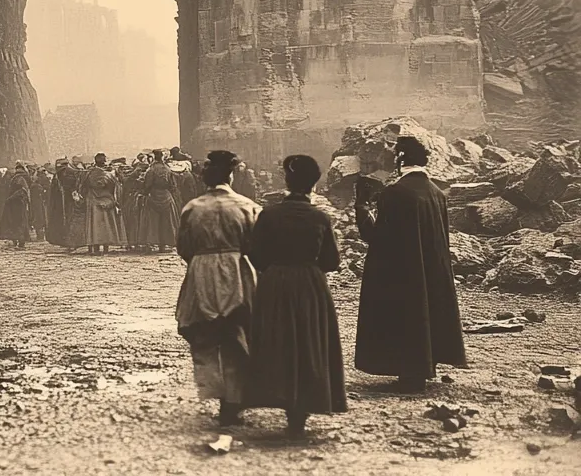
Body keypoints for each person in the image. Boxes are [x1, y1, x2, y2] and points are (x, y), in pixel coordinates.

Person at [354, 133, 467, 392]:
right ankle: (425, 365)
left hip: (401, 272)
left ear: (401, 160)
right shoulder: (437, 193)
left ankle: (410, 372)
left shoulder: (395, 193)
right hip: (430, 270)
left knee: (406, 315)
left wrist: (361, 206)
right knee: (426, 310)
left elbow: (375, 236)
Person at [248, 155, 346, 437]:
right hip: (309, 283)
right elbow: (331, 261)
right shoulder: (319, 217)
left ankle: (279, 394)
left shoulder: (269, 214)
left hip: (275, 281)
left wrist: (274, 270)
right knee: (308, 341)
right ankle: (301, 411)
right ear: (313, 185)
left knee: (278, 339)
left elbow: (255, 253)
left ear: (287, 182)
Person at [175, 150, 260, 429]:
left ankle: (217, 391)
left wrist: (202, 261)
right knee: (237, 331)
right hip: (237, 268)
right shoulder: (248, 206)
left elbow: (183, 247)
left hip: (202, 270)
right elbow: (255, 245)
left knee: (206, 333)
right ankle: (234, 401)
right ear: (232, 175)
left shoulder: (192, 208)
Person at [81, 153, 125, 255]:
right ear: (104, 162)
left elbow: (83, 187)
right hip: (106, 200)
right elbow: (114, 187)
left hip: (92, 200)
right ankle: (106, 248)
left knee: (93, 225)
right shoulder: (108, 175)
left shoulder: (88, 173)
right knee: (106, 224)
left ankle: (94, 247)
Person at [140, 149, 179, 252]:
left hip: (154, 196)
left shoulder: (151, 170)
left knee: (152, 221)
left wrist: (143, 193)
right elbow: (173, 185)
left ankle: (151, 243)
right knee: (167, 221)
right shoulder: (167, 169)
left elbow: (147, 185)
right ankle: (164, 245)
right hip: (166, 196)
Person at [0, 163, 32, 249]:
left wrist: (10, 198)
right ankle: (18, 239)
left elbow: (21, 190)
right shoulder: (24, 177)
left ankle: (19, 239)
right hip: (19, 203)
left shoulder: (18, 178)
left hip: (16, 203)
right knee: (19, 221)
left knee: (16, 222)